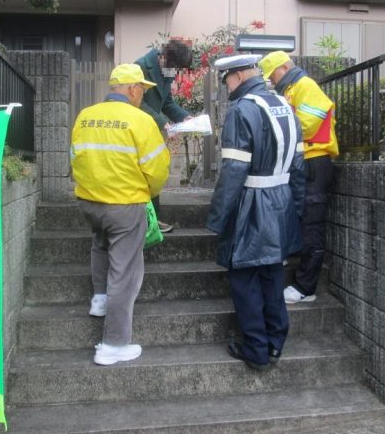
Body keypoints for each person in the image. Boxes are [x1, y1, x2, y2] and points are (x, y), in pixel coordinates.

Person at [206, 54, 305, 371]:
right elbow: (299, 165)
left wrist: (218, 219)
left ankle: (256, 350)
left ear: (234, 77)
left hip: (252, 204)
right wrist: (296, 208)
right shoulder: (284, 107)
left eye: (227, 82)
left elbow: (234, 171)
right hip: (281, 201)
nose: (227, 88)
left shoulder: (242, 110)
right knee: (272, 276)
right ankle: (275, 344)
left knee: (244, 278)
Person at [70, 63, 170, 366]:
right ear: (133, 89)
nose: (142, 95)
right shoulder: (141, 120)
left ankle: (100, 299)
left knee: (100, 244)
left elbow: (75, 158)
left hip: (89, 202)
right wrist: (146, 193)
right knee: (124, 271)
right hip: (125, 205)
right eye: (141, 90)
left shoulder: (85, 116)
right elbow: (157, 170)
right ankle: (113, 344)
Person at [259, 51, 339, 304]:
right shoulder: (290, 89)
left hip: (314, 160)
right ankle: (300, 277)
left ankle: (306, 287)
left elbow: (309, 123)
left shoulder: (306, 85)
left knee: (312, 222)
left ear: (283, 68)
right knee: (298, 214)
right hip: (303, 160)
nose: (271, 80)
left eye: (272, 74)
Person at [136, 39, 193, 233]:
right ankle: (143, 222)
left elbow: (167, 102)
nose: (176, 73)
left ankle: (153, 220)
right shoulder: (140, 67)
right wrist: (163, 122)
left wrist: (185, 117)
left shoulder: (166, 71)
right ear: (164, 57)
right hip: (137, 130)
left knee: (153, 175)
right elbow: (137, 102)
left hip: (152, 132)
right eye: (176, 67)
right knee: (140, 176)